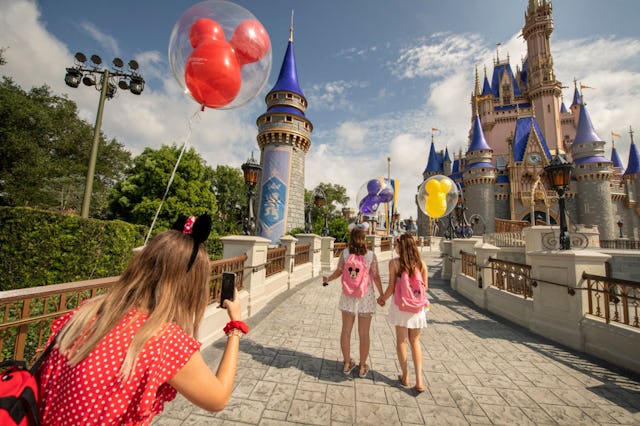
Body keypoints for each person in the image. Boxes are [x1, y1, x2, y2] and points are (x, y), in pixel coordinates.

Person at [37, 214, 247, 425]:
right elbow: (218, 399)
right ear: (191, 285)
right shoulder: (164, 340)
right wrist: (235, 326)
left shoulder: (85, 313)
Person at [322, 224, 383, 378]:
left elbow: (339, 271)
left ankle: (347, 363)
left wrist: (327, 279)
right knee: (364, 334)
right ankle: (362, 367)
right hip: (366, 297)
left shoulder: (344, 253)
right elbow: (375, 276)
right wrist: (382, 295)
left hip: (348, 296)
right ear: (364, 239)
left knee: (346, 331)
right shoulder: (370, 256)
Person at [377, 233, 428, 393]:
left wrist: (382, 299)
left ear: (400, 246)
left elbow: (391, 288)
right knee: (415, 341)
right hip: (417, 308)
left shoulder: (394, 264)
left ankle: (405, 376)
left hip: (401, 307)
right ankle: (419, 381)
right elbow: (425, 287)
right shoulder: (421, 264)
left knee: (401, 341)